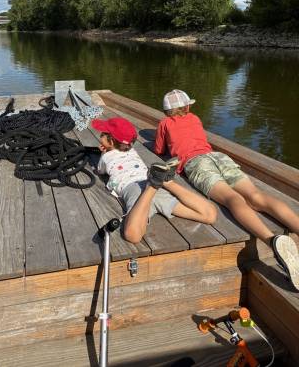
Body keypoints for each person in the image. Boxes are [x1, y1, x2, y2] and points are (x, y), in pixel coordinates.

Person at [154, 89, 299, 290]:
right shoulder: (194, 118)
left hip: (196, 163)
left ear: (165, 111)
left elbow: (159, 150)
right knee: (256, 196)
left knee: (233, 199)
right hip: (218, 157)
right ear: (187, 107)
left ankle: (272, 240)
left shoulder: (164, 123)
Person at [92, 117, 217, 244]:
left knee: (133, 235)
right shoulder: (132, 150)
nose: (100, 136)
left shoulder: (106, 157)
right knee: (209, 215)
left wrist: (103, 153)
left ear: (111, 141)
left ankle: (152, 186)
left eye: (103, 134)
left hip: (133, 187)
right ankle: (167, 182)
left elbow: (100, 171)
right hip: (151, 183)